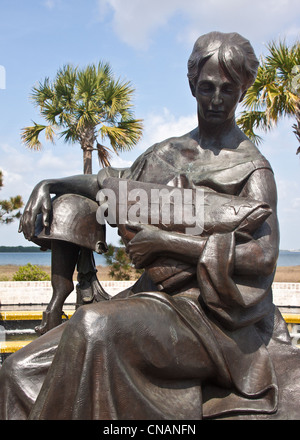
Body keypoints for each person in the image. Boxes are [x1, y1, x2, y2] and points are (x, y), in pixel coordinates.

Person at [0, 31, 299, 420]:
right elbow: (106, 184)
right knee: (17, 371)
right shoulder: (165, 154)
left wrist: (169, 243)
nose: (216, 99)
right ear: (192, 84)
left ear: (242, 90)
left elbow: (263, 257)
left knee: (95, 328)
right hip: (148, 299)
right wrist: (49, 184)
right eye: (206, 87)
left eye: (228, 89)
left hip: (209, 321)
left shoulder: (252, 169)